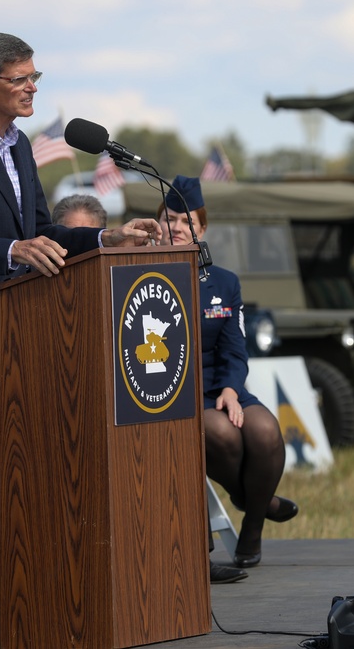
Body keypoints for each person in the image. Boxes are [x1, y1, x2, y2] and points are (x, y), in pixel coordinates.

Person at [0, 32, 162, 648]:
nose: (32, 87)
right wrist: (9, 250)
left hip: (27, 336)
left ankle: (8, 600)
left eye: (35, 77)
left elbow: (45, 232)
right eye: (20, 78)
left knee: (22, 475)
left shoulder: (21, 147)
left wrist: (108, 241)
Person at [52, 191, 248, 585]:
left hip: (131, 397)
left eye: (89, 237)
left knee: (172, 433)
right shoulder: (33, 286)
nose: (78, 247)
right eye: (70, 237)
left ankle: (190, 558)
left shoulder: (127, 276)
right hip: (70, 407)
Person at [157, 175, 298, 570]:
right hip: (173, 392)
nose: (177, 228)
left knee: (265, 431)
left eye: (187, 222)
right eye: (170, 218)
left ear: (202, 230)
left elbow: (235, 348)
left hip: (220, 385)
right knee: (221, 434)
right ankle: (258, 498)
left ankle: (252, 528)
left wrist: (232, 390)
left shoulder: (223, 283)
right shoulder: (137, 272)